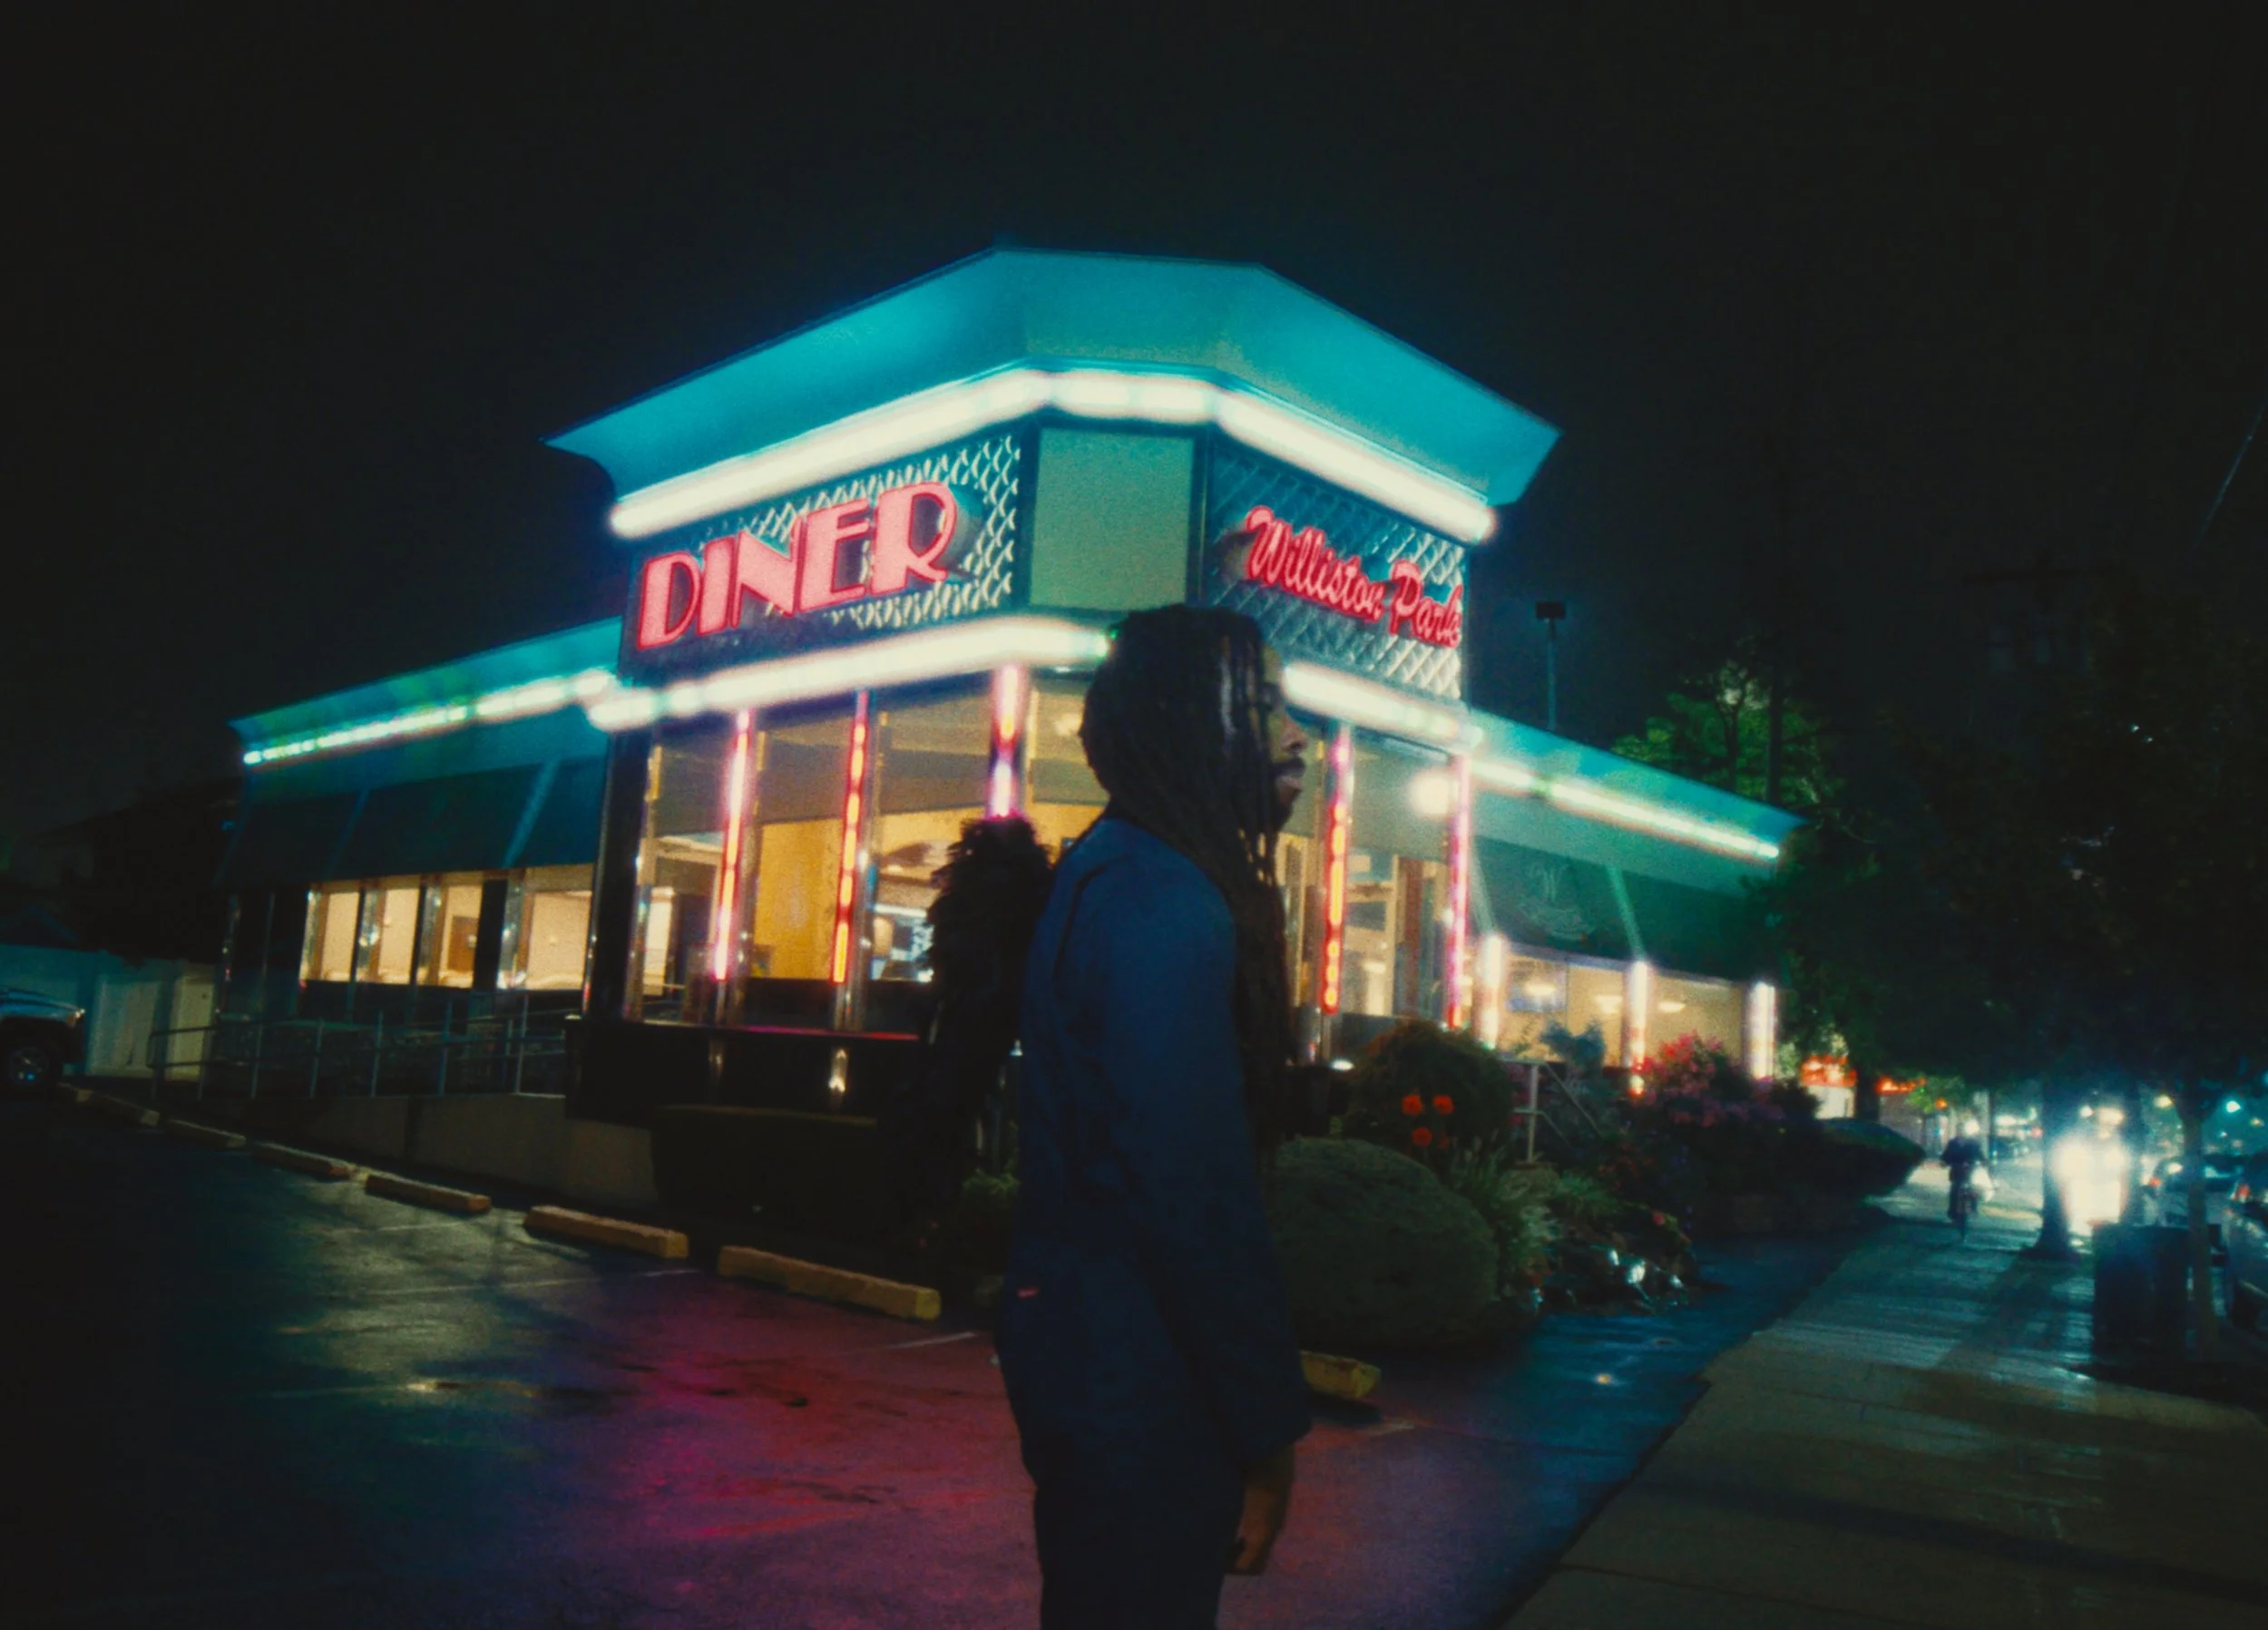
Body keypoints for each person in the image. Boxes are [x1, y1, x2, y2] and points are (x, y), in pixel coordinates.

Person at [996, 605, 1314, 1629]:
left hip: (1102, 1371)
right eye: (1263, 708)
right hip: (1144, 1394)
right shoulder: (1162, 897)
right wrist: (1268, 1430)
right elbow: (1191, 1194)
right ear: (1190, 721)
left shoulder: (1123, 870)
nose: (1297, 735)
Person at [1942, 1118, 1986, 1232]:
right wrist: (1944, 1162)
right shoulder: (1953, 1143)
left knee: (1973, 1188)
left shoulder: (1974, 1142)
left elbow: (1980, 1155)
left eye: (1962, 1130)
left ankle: (1973, 1207)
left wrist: (1983, 1161)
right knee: (1954, 1190)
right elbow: (1946, 1155)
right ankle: (1953, 1214)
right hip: (1956, 1170)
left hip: (1970, 1170)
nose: (1960, 1132)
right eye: (1959, 1130)